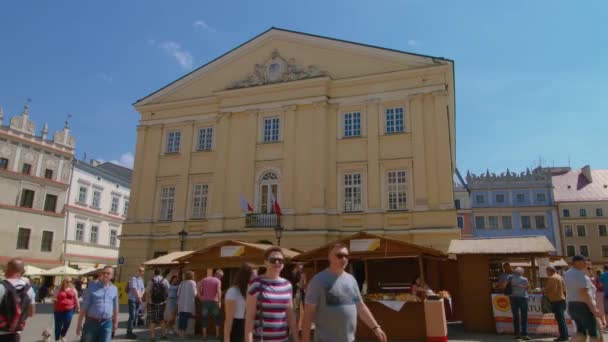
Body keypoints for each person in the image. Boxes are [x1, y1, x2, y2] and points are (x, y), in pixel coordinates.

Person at [302, 244, 387, 342]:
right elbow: (308, 314)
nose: (344, 259)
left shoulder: (351, 280)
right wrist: (305, 340)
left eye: (346, 256)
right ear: (329, 256)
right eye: (340, 255)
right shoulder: (318, 280)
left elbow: (360, 306)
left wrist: (376, 327)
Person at [245, 247, 299, 342]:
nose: (277, 263)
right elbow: (249, 318)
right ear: (266, 262)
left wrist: (296, 339)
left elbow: (290, 315)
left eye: (280, 260)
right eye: (273, 260)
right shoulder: (256, 284)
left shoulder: (287, 285)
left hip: (282, 339)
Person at [76, 266, 119, 342]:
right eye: (104, 273)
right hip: (91, 322)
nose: (105, 275)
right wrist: (79, 325)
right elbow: (84, 306)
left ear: (112, 276)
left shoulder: (114, 289)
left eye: (108, 273)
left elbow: (116, 307)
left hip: (107, 323)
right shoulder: (92, 286)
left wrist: (115, 322)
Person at [565, 255, 602, 341]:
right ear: (578, 262)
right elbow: (584, 293)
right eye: (585, 261)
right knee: (593, 332)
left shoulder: (568, 273)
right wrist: (594, 309)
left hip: (572, 304)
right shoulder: (579, 274)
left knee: (581, 331)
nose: (586, 264)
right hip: (583, 305)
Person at [0, 258, 36, 342]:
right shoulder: (29, 289)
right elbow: (31, 313)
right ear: (22, 272)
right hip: (15, 333)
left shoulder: (2, 286)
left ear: (7, 269)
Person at [224, 263, 255, 342]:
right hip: (237, 327)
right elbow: (229, 319)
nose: (255, 277)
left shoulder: (251, 291)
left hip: (248, 326)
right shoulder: (233, 292)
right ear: (246, 276)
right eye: (253, 274)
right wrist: (226, 339)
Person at [544, 266, 568, 342]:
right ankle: (564, 336)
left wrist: (542, 291)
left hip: (556, 300)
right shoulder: (559, 277)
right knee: (562, 320)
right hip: (562, 299)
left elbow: (552, 289)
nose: (546, 273)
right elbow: (564, 289)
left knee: (560, 320)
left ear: (549, 271)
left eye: (546, 271)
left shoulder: (552, 278)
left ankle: (563, 337)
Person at [198, 269, 224, 339]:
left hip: (205, 302)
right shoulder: (218, 281)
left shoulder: (205, 279)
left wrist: (199, 295)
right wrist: (219, 301)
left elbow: (199, 286)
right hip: (214, 302)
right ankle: (217, 335)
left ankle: (204, 336)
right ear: (217, 275)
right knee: (217, 318)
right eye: (221, 276)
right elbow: (218, 290)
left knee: (204, 318)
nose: (221, 277)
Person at [53, 277, 80, 342]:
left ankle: (63, 334)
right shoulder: (59, 289)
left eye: (70, 281)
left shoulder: (73, 289)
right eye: (67, 281)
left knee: (67, 322)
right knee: (58, 325)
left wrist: (78, 307)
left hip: (69, 309)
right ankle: (57, 339)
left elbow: (76, 299)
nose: (68, 283)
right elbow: (54, 297)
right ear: (64, 281)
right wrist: (54, 299)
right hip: (58, 309)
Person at [147, 269, 170, 341]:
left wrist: (147, 302)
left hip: (152, 303)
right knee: (162, 319)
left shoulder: (151, 280)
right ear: (160, 273)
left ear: (154, 273)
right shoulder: (165, 280)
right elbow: (168, 291)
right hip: (162, 303)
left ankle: (152, 337)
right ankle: (163, 335)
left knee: (152, 320)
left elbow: (148, 292)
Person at [508, 267, 530, 340]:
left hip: (513, 298)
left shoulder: (510, 278)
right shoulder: (525, 279)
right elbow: (527, 288)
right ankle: (525, 334)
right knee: (524, 316)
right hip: (523, 298)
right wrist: (520, 286)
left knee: (515, 316)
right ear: (521, 273)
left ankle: (517, 333)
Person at [176, 271, 197, 338]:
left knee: (182, 318)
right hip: (189, 304)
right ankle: (184, 333)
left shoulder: (182, 283)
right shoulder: (192, 283)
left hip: (181, 304)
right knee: (186, 318)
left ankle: (180, 332)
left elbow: (178, 293)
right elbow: (194, 293)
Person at [126, 266, 145, 339]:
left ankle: (130, 331)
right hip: (132, 300)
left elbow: (143, 289)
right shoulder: (133, 279)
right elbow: (134, 288)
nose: (141, 272)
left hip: (138, 300)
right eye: (140, 270)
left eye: (143, 271)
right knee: (132, 316)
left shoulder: (141, 280)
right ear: (137, 271)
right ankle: (129, 332)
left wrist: (141, 295)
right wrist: (139, 297)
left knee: (134, 316)